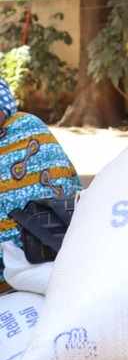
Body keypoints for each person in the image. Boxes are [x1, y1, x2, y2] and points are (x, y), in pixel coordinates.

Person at [0, 75, 82, 287]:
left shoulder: (28, 128)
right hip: (57, 257)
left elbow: (67, 187)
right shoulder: (31, 126)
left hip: (53, 257)